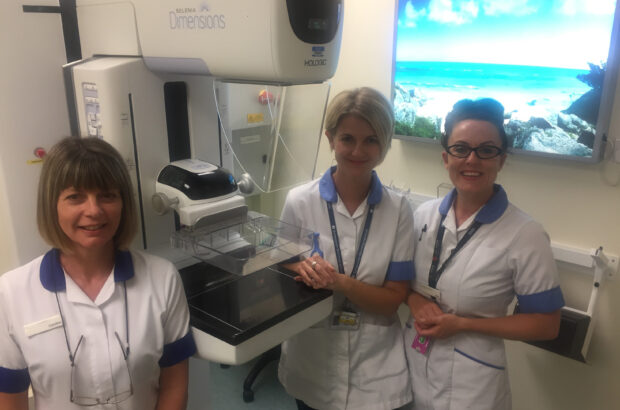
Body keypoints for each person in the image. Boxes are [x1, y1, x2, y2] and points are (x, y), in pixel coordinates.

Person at [0, 137, 196, 410]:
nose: (93, 210)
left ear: (123, 203)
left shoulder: (162, 278)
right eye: (75, 197)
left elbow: (174, 386)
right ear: (51, 205)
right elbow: (9, 397)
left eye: (107, 195)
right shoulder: (11, 292)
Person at [404, 98, 565, 410]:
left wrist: (463, 325)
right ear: (445, 157)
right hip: (411, 365)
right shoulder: (422, 216)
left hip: (473, 386)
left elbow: (547, 325)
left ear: (501, 160)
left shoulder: (525, 234)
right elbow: (400, 283)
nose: (472, 160)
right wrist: (414, 300)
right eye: (461, 148)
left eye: (487, 150)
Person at [277, 87, 415, 410]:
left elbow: (391, 301)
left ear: (385, 142)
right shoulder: (299, 201)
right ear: (330, 139)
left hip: (376, 371)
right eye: (347, 138)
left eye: (371, 140)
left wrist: (339, 283)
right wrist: (302, 268)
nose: (358, 150)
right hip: (313, 358)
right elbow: (281, 265)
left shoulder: (399, 211)